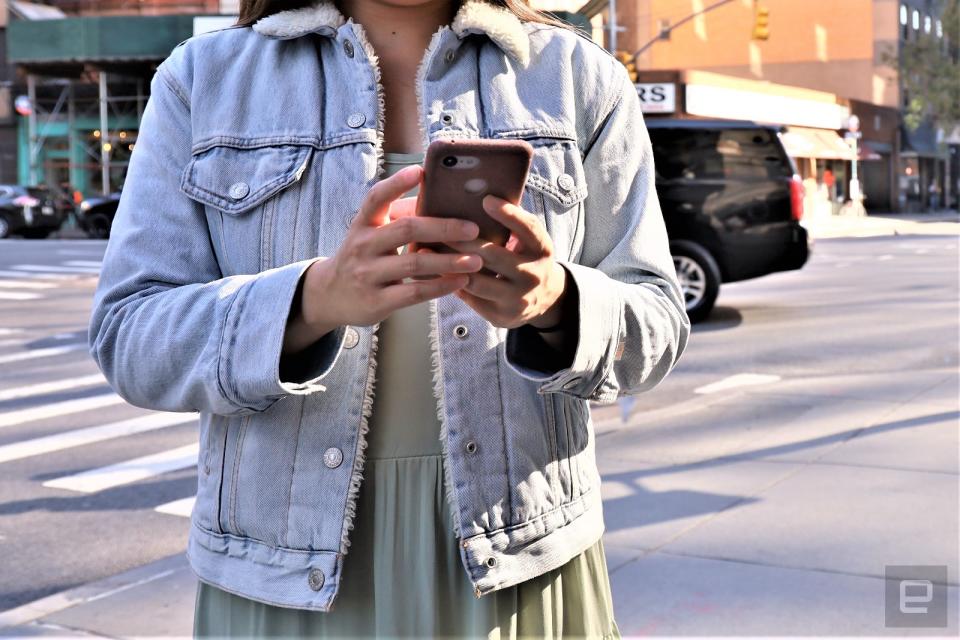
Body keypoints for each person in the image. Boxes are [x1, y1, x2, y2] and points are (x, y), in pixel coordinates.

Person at [87, 0, 690, 637]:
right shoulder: (206, 77)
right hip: (284, 569)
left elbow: (656, 320)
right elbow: (131, 335)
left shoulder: (577, 76)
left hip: (519, 558)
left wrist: (557, 303)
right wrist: (312, 300)